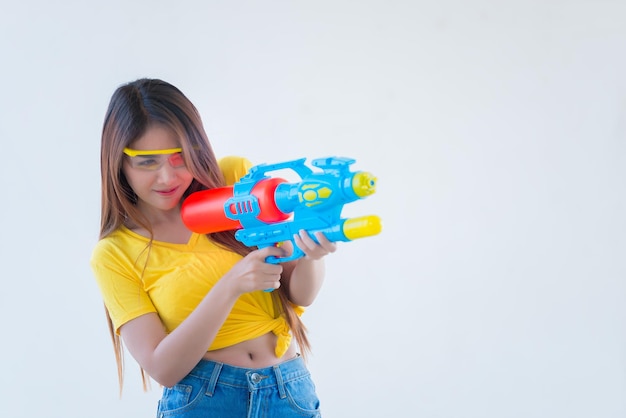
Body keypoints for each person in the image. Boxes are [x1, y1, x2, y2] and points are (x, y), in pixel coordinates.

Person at [90, 78, 336, 417]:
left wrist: (312, 253)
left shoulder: (235, 180)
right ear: (119, 162)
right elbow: (163, 367)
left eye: (180, 158)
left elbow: (300, 294)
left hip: (288, 391)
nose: (167, 177)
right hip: (205, 401)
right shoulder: (115, 253)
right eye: (147, 162)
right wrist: (232, 284)